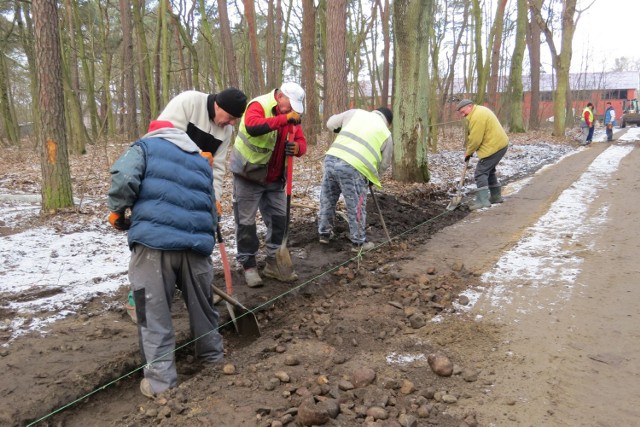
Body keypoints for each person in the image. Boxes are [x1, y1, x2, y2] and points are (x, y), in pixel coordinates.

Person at [107, 125, 224, 398]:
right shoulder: (200, 159)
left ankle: (160, 383)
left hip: (153, 247)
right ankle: (212, 361)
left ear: (153, 134)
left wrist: (117, 210)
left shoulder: (145, 147)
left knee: (152, 313)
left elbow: (124, 179)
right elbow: (211, 206)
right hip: (196, 248)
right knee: (203, 308)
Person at [124, 88, 248, 322]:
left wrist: (215, 198)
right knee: (155, 240)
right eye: (230, 117)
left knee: (195, 239)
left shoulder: (226, 130)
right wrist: (195, 156)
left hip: (194, 189)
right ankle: (137, 299)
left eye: (234, 120)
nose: (231, 123)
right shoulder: (189, 102)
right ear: (218, 106)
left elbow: (218, 168)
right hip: (163, 183)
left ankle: (196, 292)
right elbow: (160, 136)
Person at [229, 82, 307, 287]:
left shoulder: (292, 116)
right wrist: (283, 119)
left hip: (274, 179)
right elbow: (253, 127)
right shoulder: (258, 105)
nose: (291, 110)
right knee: (246, 223)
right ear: (280, 96)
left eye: (293, 109)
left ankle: (273, 262)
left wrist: (297, 147)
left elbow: (302, 143)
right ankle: (249, 265)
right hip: (248, 175)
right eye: (289, 105)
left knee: (280, 220)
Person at [318, 107, 394, 252]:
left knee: (327, 199)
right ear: (388, 122)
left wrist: (340, 129)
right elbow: (385, 163)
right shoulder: (386, 134)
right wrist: (374, 177)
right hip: (354, 168)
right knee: (356, 205)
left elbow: (330, 124)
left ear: (374, 111)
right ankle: (358, 243)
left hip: (331, 159)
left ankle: (324, 234)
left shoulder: (355, 113)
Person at [456, 99, 509, 210]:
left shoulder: (477, 117)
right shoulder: (479, 111)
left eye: (463, 111)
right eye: (461, 113)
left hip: (493, 147)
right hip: (499, 144)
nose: (463, 115)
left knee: (480, 173)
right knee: (489, 171)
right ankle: (495, 196)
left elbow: (475, 139)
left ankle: (482, 201)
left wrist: (468, 152)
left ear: (470, 106)